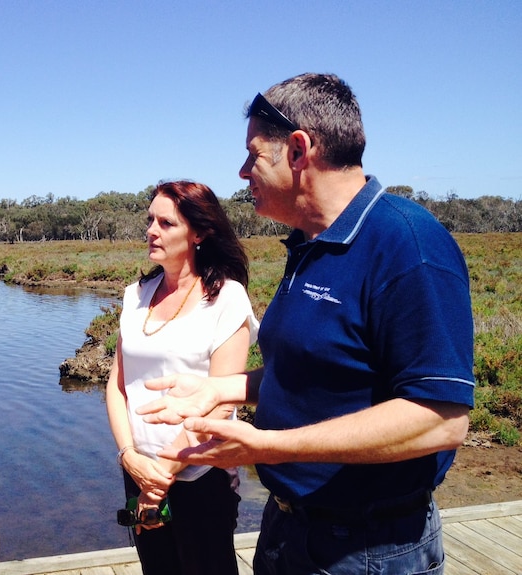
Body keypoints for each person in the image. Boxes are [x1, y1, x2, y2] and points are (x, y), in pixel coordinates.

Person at [136, 73, 475, 574]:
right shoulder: (309, 247)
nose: (242, 171)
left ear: (298, 150)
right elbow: (318, 374)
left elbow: (441, 419)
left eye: (253, 155)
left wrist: (266, 446)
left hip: (368, 549)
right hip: (289, 529)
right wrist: (223, 389)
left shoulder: (408, 245)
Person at [106, 181, 258, 575]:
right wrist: (130, 457)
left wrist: (160, 479)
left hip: (202, 475)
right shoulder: (135, 296)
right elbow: (117, 385)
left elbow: (222, 402)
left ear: (200, 232)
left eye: (166, 223)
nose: (151, 230)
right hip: (138, 470)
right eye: (150, 220)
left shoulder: (226, 299)